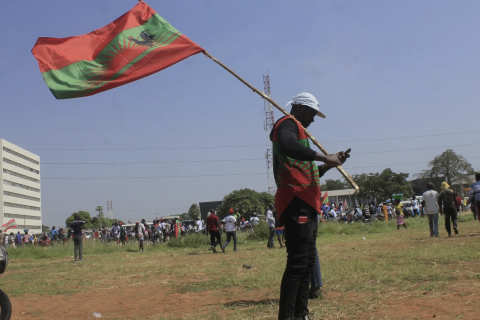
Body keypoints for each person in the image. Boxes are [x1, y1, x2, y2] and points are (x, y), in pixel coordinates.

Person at [270, 92, 349, 320]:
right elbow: (286, 146)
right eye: (312, 113)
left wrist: (333, 162)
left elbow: (312, 172)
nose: (313, 119)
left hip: (308, 202)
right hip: (296, 201)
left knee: (307, 263)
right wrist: (324, 157)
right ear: (300, 109)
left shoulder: (299, 132)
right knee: (297, 264)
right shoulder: (287, 124)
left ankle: (301, 314)